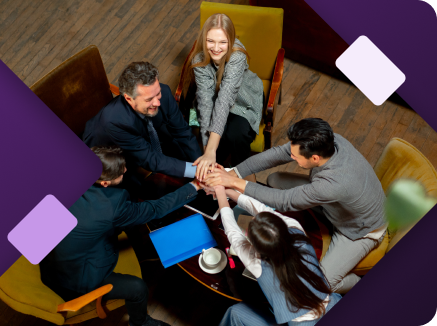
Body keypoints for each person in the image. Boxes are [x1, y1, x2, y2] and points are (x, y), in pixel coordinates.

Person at [204, 118, 387, 294]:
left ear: (315, 158)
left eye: (295, 156)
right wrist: (235, 173)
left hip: (358, 230)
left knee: (317, 285)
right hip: (335, 205)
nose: (290, 157)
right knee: (274, 179)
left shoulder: (333, 184)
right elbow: (277, 154)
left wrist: (234, 183)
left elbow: (285, 200)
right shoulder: (330, 141)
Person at [40, 146, 202, 326]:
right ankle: (140, 322)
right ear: (104, 183)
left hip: (50, 256)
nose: (125, 170)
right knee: (138, 288)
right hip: (73, 278)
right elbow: (156, 209)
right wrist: (195, 185)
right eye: (120, 171)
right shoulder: (112, 205)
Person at [213, 185, 341, 326]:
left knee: (236, 312)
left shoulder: (256, 264)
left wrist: (220, 191)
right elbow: (261, 209)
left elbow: (233, 232)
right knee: (237, 311)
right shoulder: (295, 228)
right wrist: (224, 190)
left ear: (256, 248)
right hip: (333, 305)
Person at [83, 62, 202, 181]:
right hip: (112, 157)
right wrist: (195, 172)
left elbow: (183, 132)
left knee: (180, 152)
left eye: (158, 93)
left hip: (145, 136)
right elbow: (150, 159)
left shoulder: (164, 92)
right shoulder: (114, 122)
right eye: (149, 99)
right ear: (129, 99)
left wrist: (203, 166)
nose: (157, 103)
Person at [181, 13, 263, 181]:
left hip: (242, 101)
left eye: (222, 42)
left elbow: (225, 99)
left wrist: (211, 151)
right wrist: (207, 151)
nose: (216, 48)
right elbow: (205, 104)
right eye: (210, 41)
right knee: (213, 137)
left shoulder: (237, 56)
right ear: (204, 40)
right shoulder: (199, 59)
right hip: (214, 101)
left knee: (236, 135)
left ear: (231, 41)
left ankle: (243, 173)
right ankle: (220, 173)